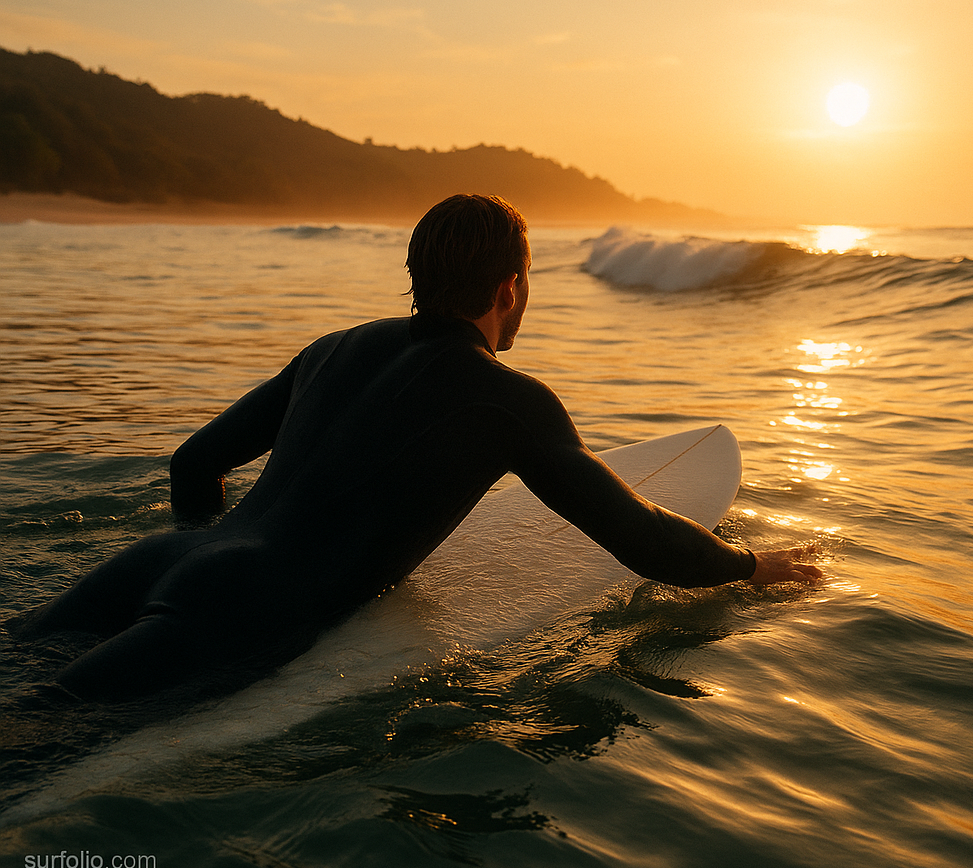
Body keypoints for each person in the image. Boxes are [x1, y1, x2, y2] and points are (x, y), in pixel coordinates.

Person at [10, 194, 821, 702]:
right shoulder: (510, 401)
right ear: (510, 289)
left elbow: (194, 464)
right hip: (247, 609)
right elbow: (638, 536)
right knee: (35, 741)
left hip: (161, 562)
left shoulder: (333, 347)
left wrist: (196, 554)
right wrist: (750, 566)